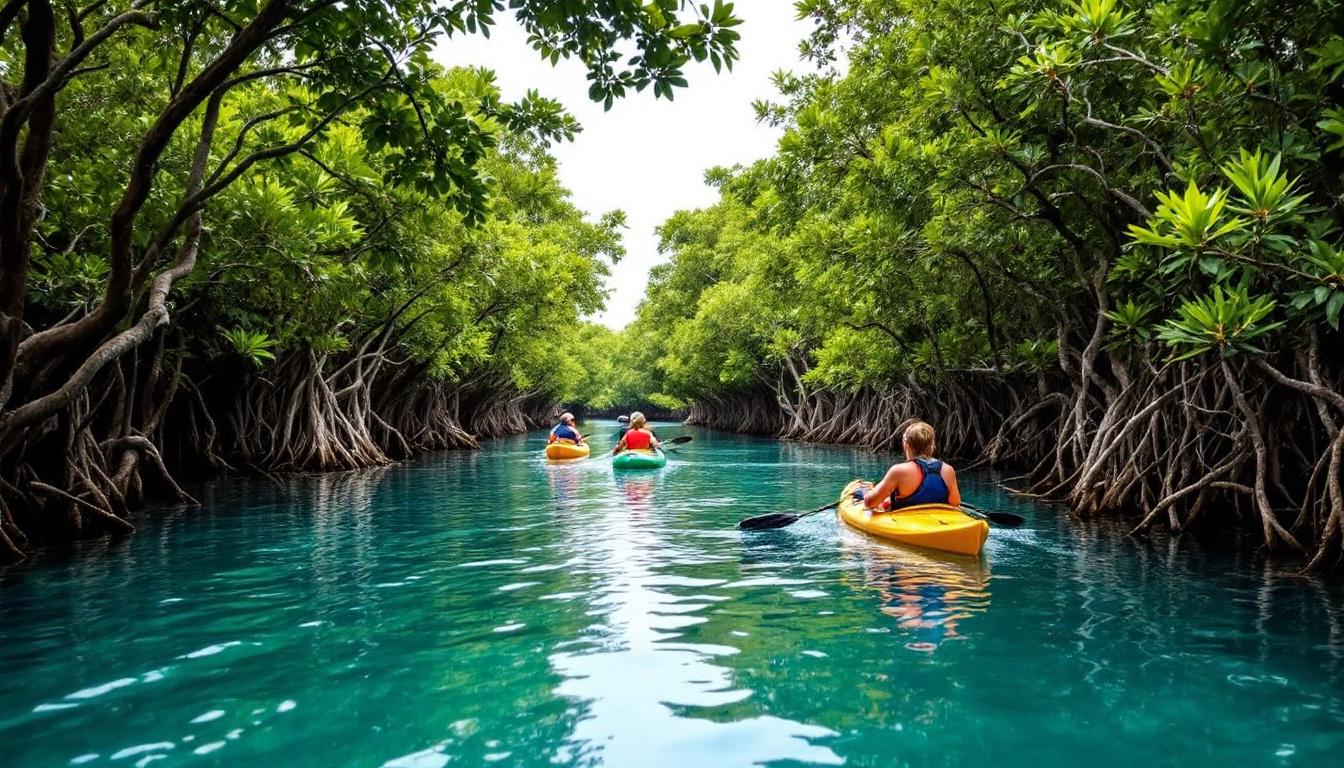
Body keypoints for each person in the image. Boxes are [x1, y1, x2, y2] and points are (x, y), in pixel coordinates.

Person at [852, 420, 960, 511]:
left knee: (861, 493)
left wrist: (866, 494)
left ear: (906, 444)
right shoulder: (948, 470)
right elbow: (955, 503)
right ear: (932, 445)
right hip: (938, 524)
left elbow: (869, 502)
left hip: (907, 527)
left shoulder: (898, 471)